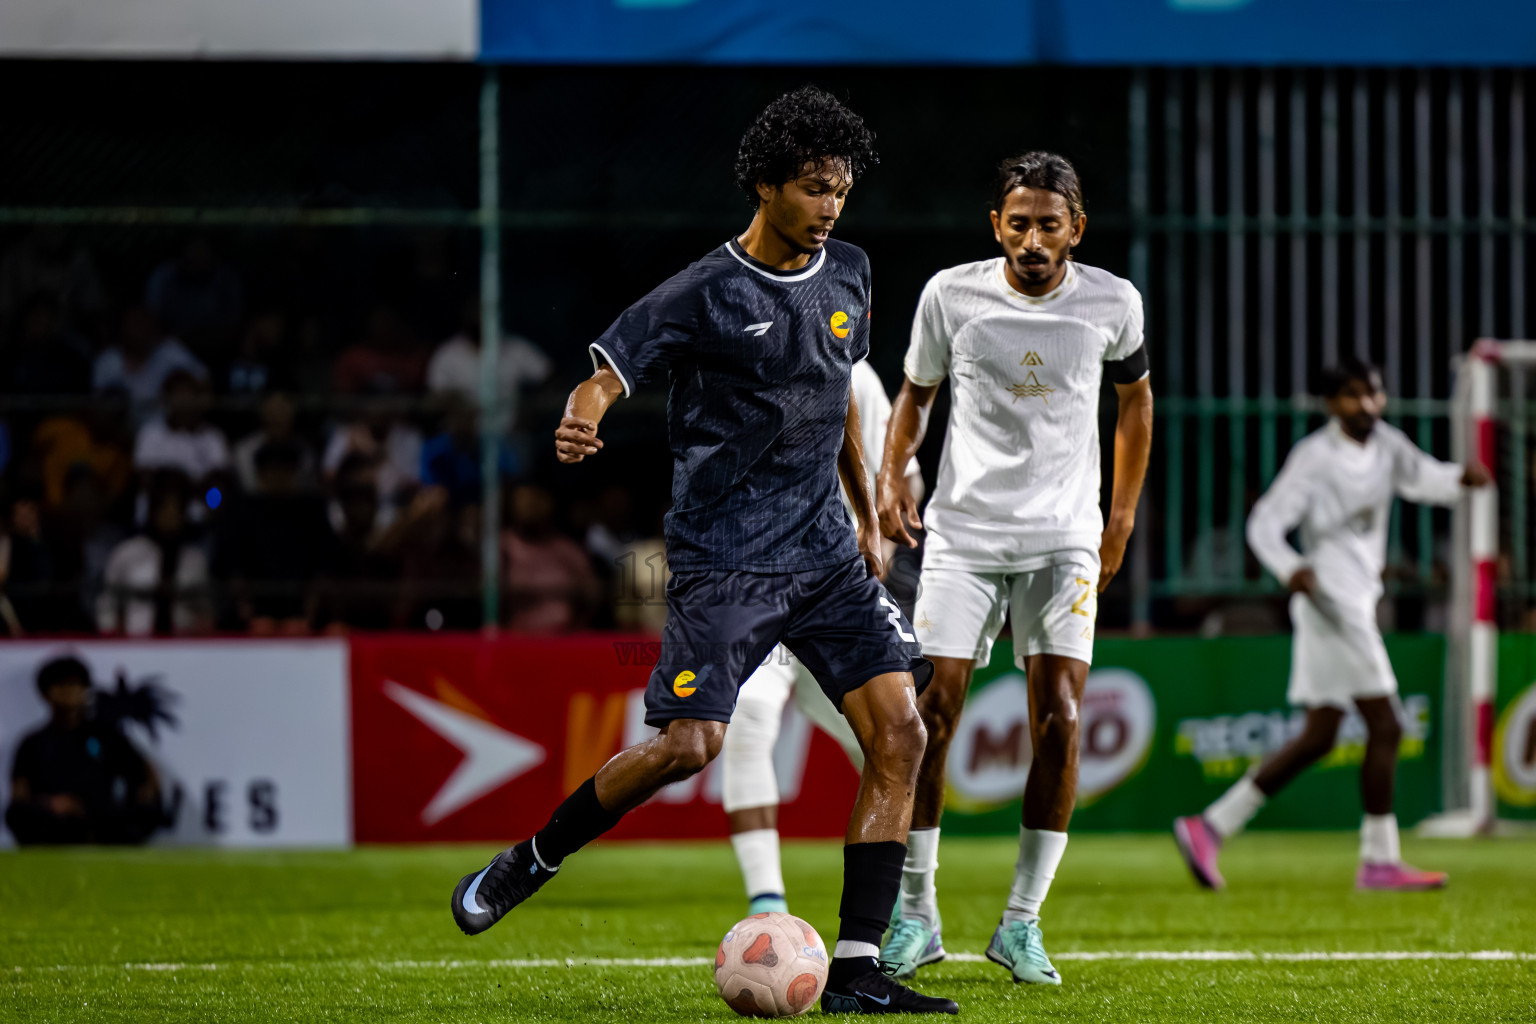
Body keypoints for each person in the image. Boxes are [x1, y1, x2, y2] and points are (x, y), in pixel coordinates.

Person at [447, 86, 956, 1016]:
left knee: (903, 732)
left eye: (841, 189)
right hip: (726, 558)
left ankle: (853, 969)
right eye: (812, 188)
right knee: (690, 744)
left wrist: (867, 515)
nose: (831, 206)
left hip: (826, 554)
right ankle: (531, 859)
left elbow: (840, 393)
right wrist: (579, 417)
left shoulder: (850, 271)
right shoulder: (705, 290)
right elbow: (606, 374)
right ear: (764, 187)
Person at [875, 152, 1154, 985]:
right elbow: (915, 392)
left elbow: (1135, 401)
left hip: (1065, 535)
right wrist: (894, 475)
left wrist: (1122, 516)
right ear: (995, 225)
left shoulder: (1114, 301)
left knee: (1062, 719)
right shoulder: (950, 294)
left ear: (1077, 226)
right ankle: (917, 916)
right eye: (1019, 222)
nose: (1034, 239)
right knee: (929, 713)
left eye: (1050, 222)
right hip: (962, 532)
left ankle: (1021, 923)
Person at [1173, 357, 1491, 892]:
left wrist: (1459, 477)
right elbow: (1265, 523)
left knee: (1319, 736)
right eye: (1351, 395)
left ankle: (1211, 826)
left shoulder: (1387, 444)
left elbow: (1421, 477)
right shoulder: (1314, 458)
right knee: (1386, 725)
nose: (1365, 404)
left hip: (1356, 597)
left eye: (1372, 393)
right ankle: (1379, 859)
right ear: (1330, 404)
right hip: (1329, 598)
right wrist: (1290, 567)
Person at [720, 358, 924, 917]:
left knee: (892, 743)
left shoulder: (858, 378)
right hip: (760, 584)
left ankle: (910, 908)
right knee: (747, 722)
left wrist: (876, 552)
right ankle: (767, 905)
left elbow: (901, 480)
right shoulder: (743, 367)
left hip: (837, 593)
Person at [6, 655, 162, 845]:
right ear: (45, 692)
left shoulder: (106, 735)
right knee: (18, 814)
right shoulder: (33, 743)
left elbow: (142, 773)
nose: (68, 692)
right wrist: (50, 804)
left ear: (85, 688)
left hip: (100, 818)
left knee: (141, 813)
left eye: (75, 684)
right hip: (52, 821)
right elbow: (19, 794)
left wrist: (141, 802)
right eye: (60, 685)